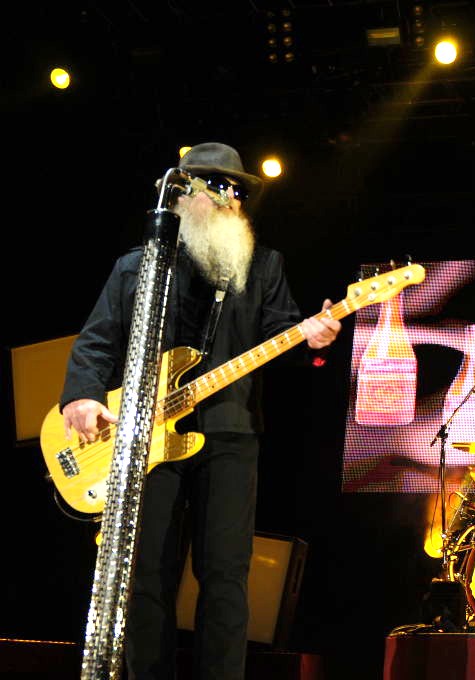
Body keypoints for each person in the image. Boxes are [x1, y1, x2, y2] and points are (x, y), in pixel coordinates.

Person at [59, 142, 341, 680]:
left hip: (230, 431)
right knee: (146, 574)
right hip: (144, 438)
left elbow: (284, 333)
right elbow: (96, 341)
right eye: (220, 186)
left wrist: (314, 339)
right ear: (183, 192)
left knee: (226, 575)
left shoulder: (263, 265)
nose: (233, 198)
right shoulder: (137, 267)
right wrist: (82, 396)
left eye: (239, 191)